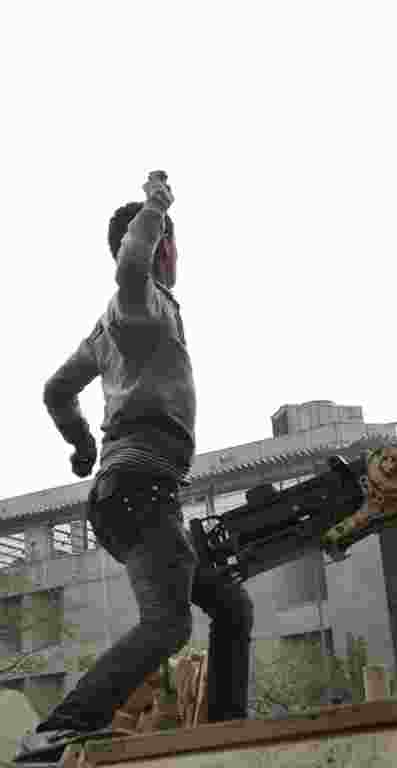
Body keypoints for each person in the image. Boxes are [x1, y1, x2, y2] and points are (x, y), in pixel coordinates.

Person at [17, 172, 253, 760]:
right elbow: (130, 268)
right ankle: (57, 729)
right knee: (169, 623)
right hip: (139, 491)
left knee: (229, 603)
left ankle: (225, 730)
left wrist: (79, 446)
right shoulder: (140, 305)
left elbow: (55, 390)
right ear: (164, 247)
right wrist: (155, 206)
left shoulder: (108, 331)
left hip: (134, 492)